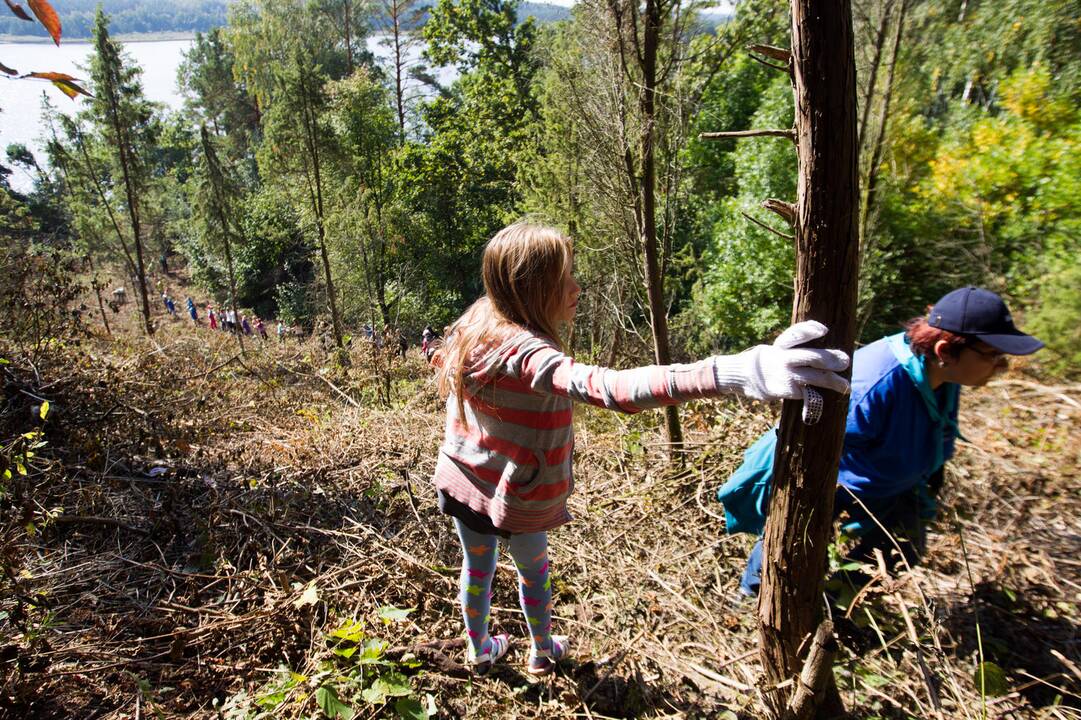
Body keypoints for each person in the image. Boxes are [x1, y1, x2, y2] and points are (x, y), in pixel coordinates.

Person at [430, 222, 850, 677]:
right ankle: (542, 650)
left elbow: (440, 354)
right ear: (531, 289)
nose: (577, 286)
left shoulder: (480, 319)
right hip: (515, 496)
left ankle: (480, 649)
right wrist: (735, 372)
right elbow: (611, 388)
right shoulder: (528, 352)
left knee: (478, 568)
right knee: (533, 573)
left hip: (460, 481)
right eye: (565, 277)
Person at [719, 287, 1044, 598]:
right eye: (993, 356)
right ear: (946, 351)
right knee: (791, 552)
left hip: (893, 488)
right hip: (837, 488)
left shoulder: (945, 375)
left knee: (903, 549)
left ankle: (838, 602)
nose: (1001, 367)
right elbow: (804, 458)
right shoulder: (871, 388)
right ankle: (754, 599)